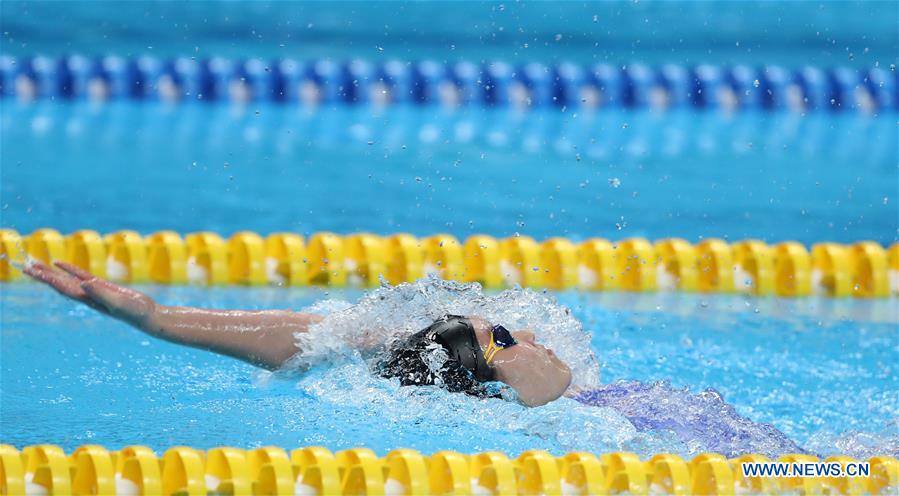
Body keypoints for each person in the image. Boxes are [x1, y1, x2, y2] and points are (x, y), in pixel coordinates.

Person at [23, 260, 573, 407]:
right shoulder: (541, 402)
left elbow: (321, 339)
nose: (524, 329)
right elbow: (544, 386)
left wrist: (156, 316)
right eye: (502, 336)